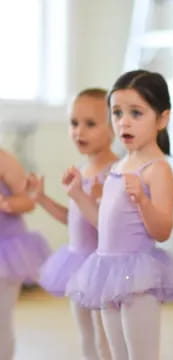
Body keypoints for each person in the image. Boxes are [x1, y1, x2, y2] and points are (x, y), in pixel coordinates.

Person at [66, 70, 173, 360]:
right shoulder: (120, 166)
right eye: (117, 113)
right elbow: (103, 224)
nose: (124, 121)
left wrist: (142, 202)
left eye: (136, 113)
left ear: (162, 119)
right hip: (107, 270)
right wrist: (78, 194)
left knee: (141, 354)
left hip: (138, 276)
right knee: (115, 352)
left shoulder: (157, 169)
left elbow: (163, 230)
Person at [28, 88, 116, 359]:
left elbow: (108, 226)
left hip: (101, 267)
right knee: (86, 336)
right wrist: (42, 199)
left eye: (90, 124)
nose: (79, 131)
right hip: (78, 264)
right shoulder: (83, 168)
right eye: (74, 123)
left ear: (114, 127)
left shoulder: (113, 171)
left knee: (105, 339)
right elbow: (75, 219)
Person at [0, 148, 50, 360]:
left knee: (1, 319)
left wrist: (4, 203)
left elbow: (28, 201)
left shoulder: (5, 161)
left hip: (8, 252)